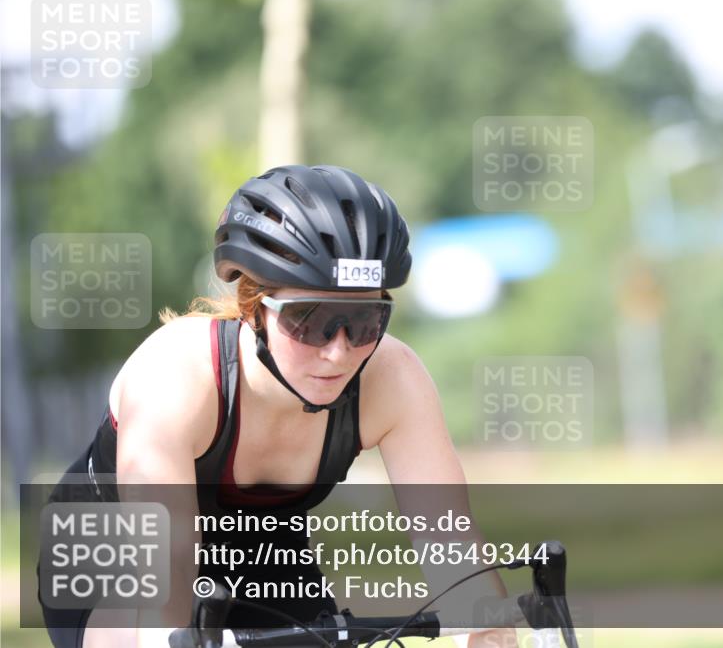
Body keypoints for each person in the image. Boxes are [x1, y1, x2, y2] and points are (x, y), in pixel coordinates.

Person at [37, 165, 513, 648]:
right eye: (311, 320)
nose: (338, 352)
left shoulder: (392, 377)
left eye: (366, 320)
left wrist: (490, 631)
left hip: (268, 555)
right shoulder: (177, 376)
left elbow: (451, 548)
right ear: (254, 306)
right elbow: (168, 583)